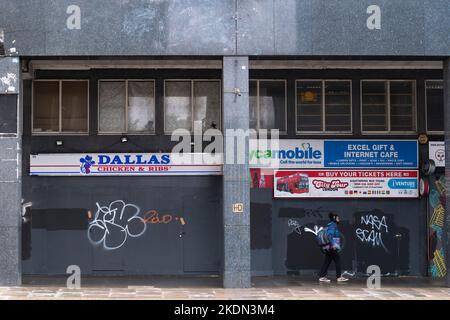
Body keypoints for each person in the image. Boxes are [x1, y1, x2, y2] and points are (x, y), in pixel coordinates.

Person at [318, 212, 349, 283]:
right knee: (337, 260)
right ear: (334, 218)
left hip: (329, 246)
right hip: (332, 246)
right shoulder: (333, 225)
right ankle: (339, 277)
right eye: (338, 218)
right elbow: (329, 236)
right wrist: (334, 245)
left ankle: (322, 276)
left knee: (327, 261)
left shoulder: (330, 225)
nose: (339, 219)